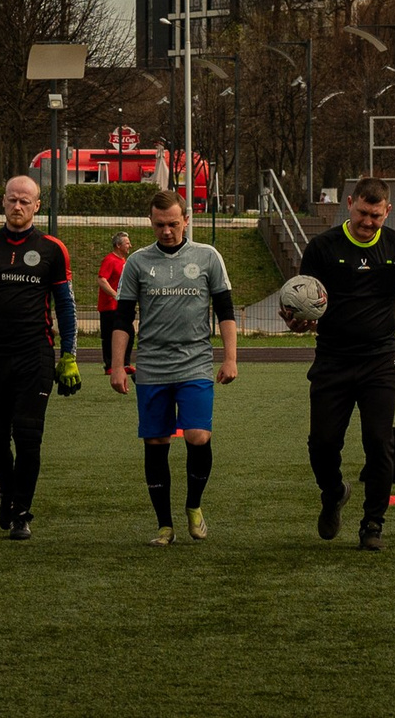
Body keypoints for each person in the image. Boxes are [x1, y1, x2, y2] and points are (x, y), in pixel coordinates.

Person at [291, 177, 395, 552]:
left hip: (379, 360)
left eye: (376, 215)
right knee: (323, 443)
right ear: (349, 204)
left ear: (387, 211)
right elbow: (301, 301)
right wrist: (297, 321)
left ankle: (373, 524)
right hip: (332, 358)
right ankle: (333, 493)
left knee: (380, 443)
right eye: (362, 212)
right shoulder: (322, 247)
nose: (368, 221)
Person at [0, 175, 80, 541]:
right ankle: (8, 492)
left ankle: (22, 511)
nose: (18, 206)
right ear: (3, 202)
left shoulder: (53, 249)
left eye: (26, 200)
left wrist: (68, 355)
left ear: (37, 205)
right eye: (12, 200)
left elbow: (66, 306)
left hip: (34, 355)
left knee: (27, 436)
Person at [110, 189, 236, 546]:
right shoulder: (136, 262)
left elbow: (226, 310)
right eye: (160, 224)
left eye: (173, 224)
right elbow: (122, 318)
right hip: (151, 365)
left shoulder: (208, 257)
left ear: (187, 220)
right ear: (151, 222)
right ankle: (164, 525)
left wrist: (230, 358)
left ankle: (193, 506)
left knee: (198, 436)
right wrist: (118, 366)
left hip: (195, 362)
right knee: (156, 442)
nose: (166, 231)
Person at [98, 231, 133, 374]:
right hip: (109, 307)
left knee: (128, 333)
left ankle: (125, 363)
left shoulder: (124, 261)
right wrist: (115, 295)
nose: (130, 245)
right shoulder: (110, 260)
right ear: (118, 245)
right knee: (109, 336)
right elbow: (101, 280)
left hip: (121, 306)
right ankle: (109, 366)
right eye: (127, 243)